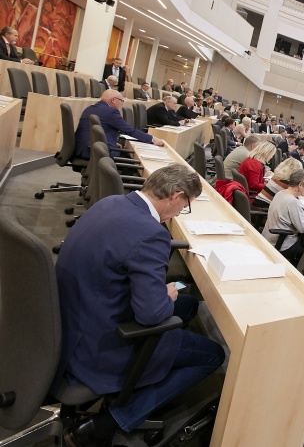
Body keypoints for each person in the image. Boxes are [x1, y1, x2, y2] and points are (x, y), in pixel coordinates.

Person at [55, 164, 224, 445]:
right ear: (175, 195)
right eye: (185, 206)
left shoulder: (112, 201)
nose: (181, 212)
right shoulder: (151, 234)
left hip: (73, 315)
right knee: (213, 354)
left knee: (188, 303)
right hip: (97, 344)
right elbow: (151, 315)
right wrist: (164, 296)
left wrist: (163, 294)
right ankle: (109, 422)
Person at [74, 89, 163, 160]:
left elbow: (100, 129)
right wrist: (153, 139)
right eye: (121, 101)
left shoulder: (90, 108)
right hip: (94, 151)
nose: (121, 103)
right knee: (131, 159)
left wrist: (112, 142)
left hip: (82, 148)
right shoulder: (111, 111)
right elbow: (129, 130)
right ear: (113, 100)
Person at [262, 169, 304, 266]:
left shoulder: (280, 193)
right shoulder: (293, 202)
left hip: (268, 237)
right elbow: (302, 228)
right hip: (282, 244)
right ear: (300, 185)